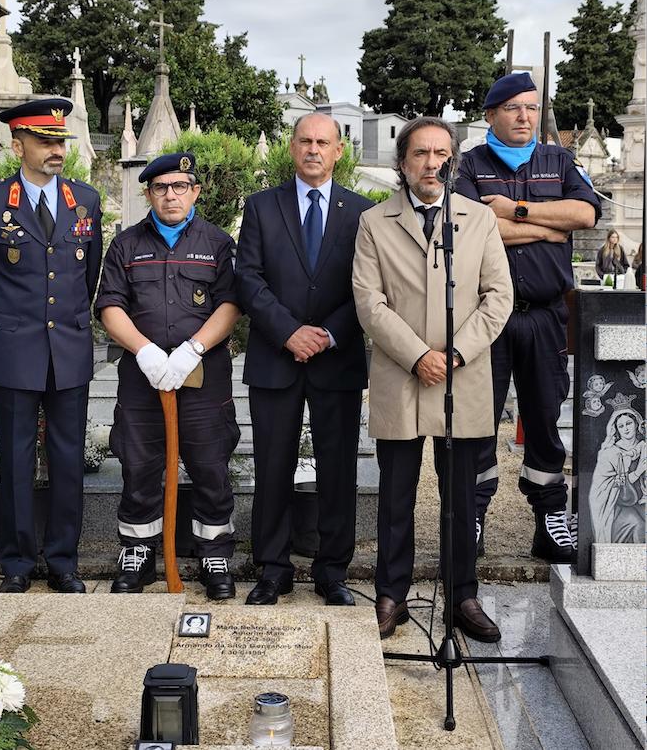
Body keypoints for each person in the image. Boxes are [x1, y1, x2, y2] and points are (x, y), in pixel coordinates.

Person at [352, 116, 512, 641]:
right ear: (403, 162)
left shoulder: (478, 220)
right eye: (420, 153)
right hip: (401, 378)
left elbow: (498, 297)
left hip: (461, 381)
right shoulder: (375, 223)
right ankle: (391, 596)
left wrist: (457, 354)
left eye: (441, 153)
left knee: (460, 498)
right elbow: (369, 303)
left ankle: (462, 596)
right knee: (396, 497)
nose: (431, 162)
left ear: (452, 161)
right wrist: (418, 354)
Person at [455, 73, 601, 563]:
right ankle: (473, 518)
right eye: (513, 108)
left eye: (532, 108)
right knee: (478, 422)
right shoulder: (470, 165)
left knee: (544, 419)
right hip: (485, 319)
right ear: (491, 114)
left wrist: (516, 211)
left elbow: (584, 216)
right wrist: (547, 227)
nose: (524, 117)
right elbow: (471, 231)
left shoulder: (557, 160)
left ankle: (549, 520)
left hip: (544, 317)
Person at [235, 113, 373, 606]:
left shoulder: (363, 212)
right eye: (305, 141)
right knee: (273, 466)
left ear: (340, 151)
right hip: (277, 357)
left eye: (323, 142)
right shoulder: (261, 207)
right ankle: (272, 569)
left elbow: (369, 287)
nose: (314, 149)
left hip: (336, 360)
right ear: (291, 149)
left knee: (338, 468)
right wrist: (289, 332)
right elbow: (248, 279)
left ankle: (332, 570)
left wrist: (329, 333)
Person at [0, 98, 102, 593]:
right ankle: (18, 564)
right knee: (17, 457)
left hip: (68, 349)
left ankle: (64, 561)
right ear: (17, 144)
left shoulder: (84, 201)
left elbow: (87, 276)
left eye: (59, 142)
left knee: (68, 457)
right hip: (16, 351)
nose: (55, 151)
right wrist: (17, 322)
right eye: (44, 142)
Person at [95, 152, 241, 598]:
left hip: (202, 379)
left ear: (195, 191)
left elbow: (230, 304)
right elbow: (109, 306)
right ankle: (137, 551)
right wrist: (144, 351)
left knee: (210, 465)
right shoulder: (126, 245)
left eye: (180, 186)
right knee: (139, 465)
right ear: (148, 194)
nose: (171, 195)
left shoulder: (217, 243)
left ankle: (214, 552)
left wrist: (193, 349)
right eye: (161, 188)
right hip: (143, 379)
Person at [589, 403, 645, 544]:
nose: (626, 428)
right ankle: (637, 563)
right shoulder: (610, 453)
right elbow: (602, 487)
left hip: (642, 501)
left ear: (636, 424)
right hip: (617, 506)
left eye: (629, 423)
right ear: (616, 430)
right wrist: (637, 472)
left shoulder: (643, 446)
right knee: (638, 524)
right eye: (621, 426)